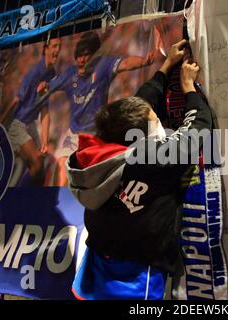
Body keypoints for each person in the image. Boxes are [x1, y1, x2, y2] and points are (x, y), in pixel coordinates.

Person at [65, 39, 212, 300]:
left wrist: (165, 68)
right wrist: (189, 88)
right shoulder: (152, 161)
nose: (159, 124)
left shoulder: (98, 152)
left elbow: (138, 107)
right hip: (132, 278)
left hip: (95, 268)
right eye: (155, 122)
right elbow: (198, 130)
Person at [37, 31, 159, 186]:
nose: (81, 60)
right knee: (61, 164)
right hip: (74, 135)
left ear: (95, 55)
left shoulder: (104, 66)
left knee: (92, 177)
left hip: (96, 136)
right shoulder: (70, 74)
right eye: (78, 56)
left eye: (85, 55)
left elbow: (126, 63)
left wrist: (144, 61)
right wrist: (44, 86)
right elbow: (49, 86)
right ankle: (58, 204)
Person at [0, 38, 62, 185]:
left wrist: (45, 141)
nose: (57, 50)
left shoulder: (52, 73)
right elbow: (15, 100)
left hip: (31, 125)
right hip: (18, 124)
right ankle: (18, 196)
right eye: (54, 46)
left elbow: (45, 110)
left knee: (41, 162)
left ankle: (23, 190)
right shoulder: (34, 73)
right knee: (37, 162)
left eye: (60, 46)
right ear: (45, 49)